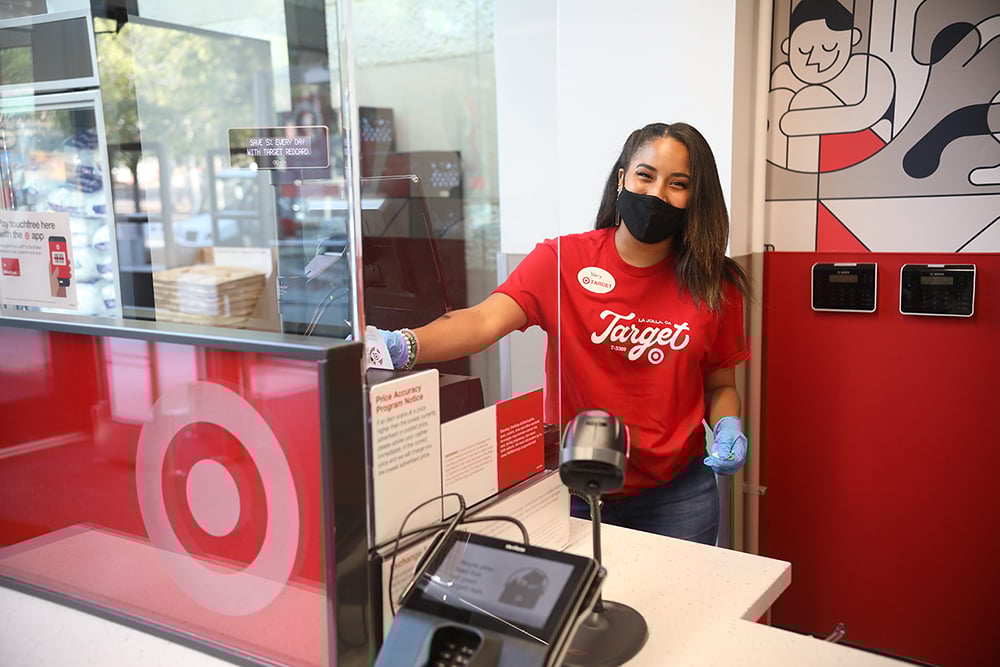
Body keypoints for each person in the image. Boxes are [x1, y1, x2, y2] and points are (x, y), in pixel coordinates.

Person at [377, 122, 750, 546]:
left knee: (678, 609)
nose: (657, 193)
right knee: (576, 605)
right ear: (622, 177)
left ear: (694, 198)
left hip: (678, 495)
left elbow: (720, 383)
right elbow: (482, 322)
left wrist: (728, 425)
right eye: (646, 175)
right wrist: (401, 346)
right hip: (575, 486)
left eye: (678, 184)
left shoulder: (714, 284)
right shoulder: (562, 260)